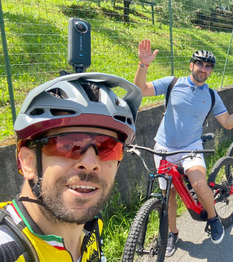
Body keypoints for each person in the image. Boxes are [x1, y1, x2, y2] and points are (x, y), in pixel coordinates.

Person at [134, 39, 233, 257]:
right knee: (169, 196)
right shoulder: (172, 83)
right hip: (164, 146)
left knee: (197, 181)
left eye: (208, 66)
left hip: (190, 148)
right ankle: (172, 234)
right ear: (191, 65)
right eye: (200, 64)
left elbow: (228, 122)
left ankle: (213, 218)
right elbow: (140, 90)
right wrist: (143, 64)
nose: (204, 69)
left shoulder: (212, 96)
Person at [0, 72, 141, 262]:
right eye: (68, 145)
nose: (90, 164)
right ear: (27, 162)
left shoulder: (92, 226)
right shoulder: (7, 251)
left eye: (108, 147)